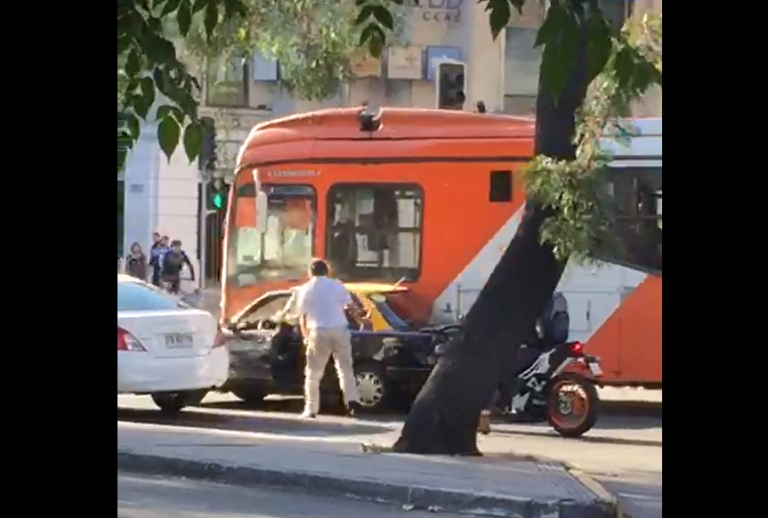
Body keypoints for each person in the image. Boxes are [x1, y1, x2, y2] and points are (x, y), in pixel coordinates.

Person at [292, 258, 363, 418]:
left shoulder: (305, 289)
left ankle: (311, 409)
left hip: (318, 331)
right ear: (327, 271)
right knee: (345, 369)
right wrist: (361, 320)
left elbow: (302, 317)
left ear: (310, 272)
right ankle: (352, 402)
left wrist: (305, 338)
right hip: (340, 329)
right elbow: (350, 307)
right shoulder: (337, 286)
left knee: (313, 373)